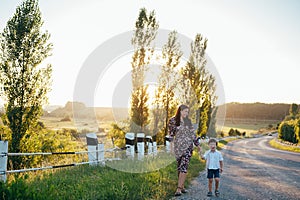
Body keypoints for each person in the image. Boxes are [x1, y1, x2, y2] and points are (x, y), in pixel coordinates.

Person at [168, 104, 202, 196]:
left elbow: (193, 134)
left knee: (184, 166)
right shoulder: (172, 121)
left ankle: (178, 189)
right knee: (179, 167)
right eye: (185, 111)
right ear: (180, 111)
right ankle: (182, 186)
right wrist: (171, 148)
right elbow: (171, 135)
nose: (186, 113)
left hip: (188, 147)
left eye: (188, 112)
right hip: (178, 148)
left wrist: (198, 145)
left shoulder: (188, 121)